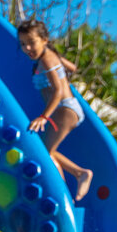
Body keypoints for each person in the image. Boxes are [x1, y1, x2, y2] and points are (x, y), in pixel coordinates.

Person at [17, 18, 93, 201]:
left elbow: (58, 91)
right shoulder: (50, 56)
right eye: (23, 44)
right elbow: (72, 68)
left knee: (46, 153)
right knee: (45, 149)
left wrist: (44, 117)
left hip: (65, 109)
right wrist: (62, 69)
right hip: (68, 109)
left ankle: (61, 195)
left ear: (44, 40)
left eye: (31, 42)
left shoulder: (47, 59)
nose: (27, 48)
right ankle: (80, 173)